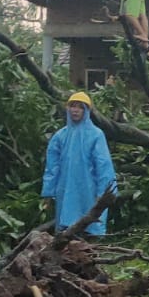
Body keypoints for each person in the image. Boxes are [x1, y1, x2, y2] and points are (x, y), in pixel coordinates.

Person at [41, 92, 117, 237]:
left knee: (88, 227)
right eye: (72, 106)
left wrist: (104, 193)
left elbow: (103, 165)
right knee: (65, 231)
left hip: (88, 190)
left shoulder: (96, 135)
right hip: (65, 189)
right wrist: (48, 192)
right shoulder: (60, 136)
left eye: (80, 107)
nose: (75, 110)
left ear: (86, 111)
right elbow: (52, 167)